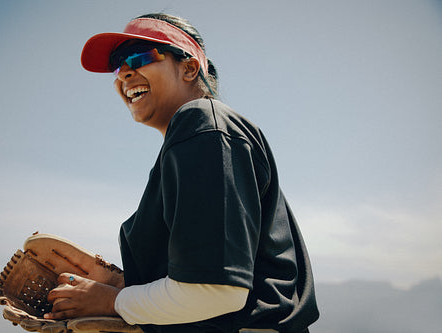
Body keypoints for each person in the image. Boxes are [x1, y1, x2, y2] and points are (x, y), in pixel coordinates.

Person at [45, 13, 319, 333]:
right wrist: (126, 289)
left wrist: (113, 301)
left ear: (189, 68)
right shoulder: (193, 140)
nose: (125, 73)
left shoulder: (202, 123)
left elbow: (217, 292)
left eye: (141, 56)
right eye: (119, 66)